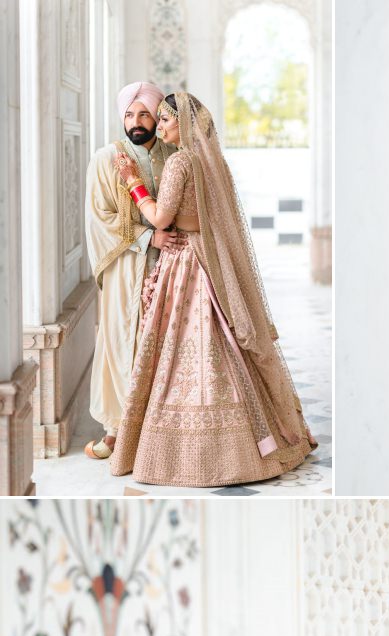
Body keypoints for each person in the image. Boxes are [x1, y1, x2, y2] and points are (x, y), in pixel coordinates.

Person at [108, 92, 315, 487]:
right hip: (213, 263)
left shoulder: (180, 162)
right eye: (162, 120)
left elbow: (162, 218)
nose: (163, 125)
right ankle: (267, 440)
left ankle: (190, 455)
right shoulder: (214, 161)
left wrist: (134, 184)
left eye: (167, 120)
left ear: (183, 124)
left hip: (186, 263)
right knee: (227, 348)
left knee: (180, 349)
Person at [84, 82, 177, 460]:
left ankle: (162, 433)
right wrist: (146, 239)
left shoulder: (175, 154)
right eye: (128, 114)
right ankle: (117, 431)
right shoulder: (108, 158)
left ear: (158, 117)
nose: (135, 122)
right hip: (128, 267)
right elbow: (99, 218)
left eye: (143, 114)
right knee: (126, 341)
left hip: (173, 266)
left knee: (169, 346)